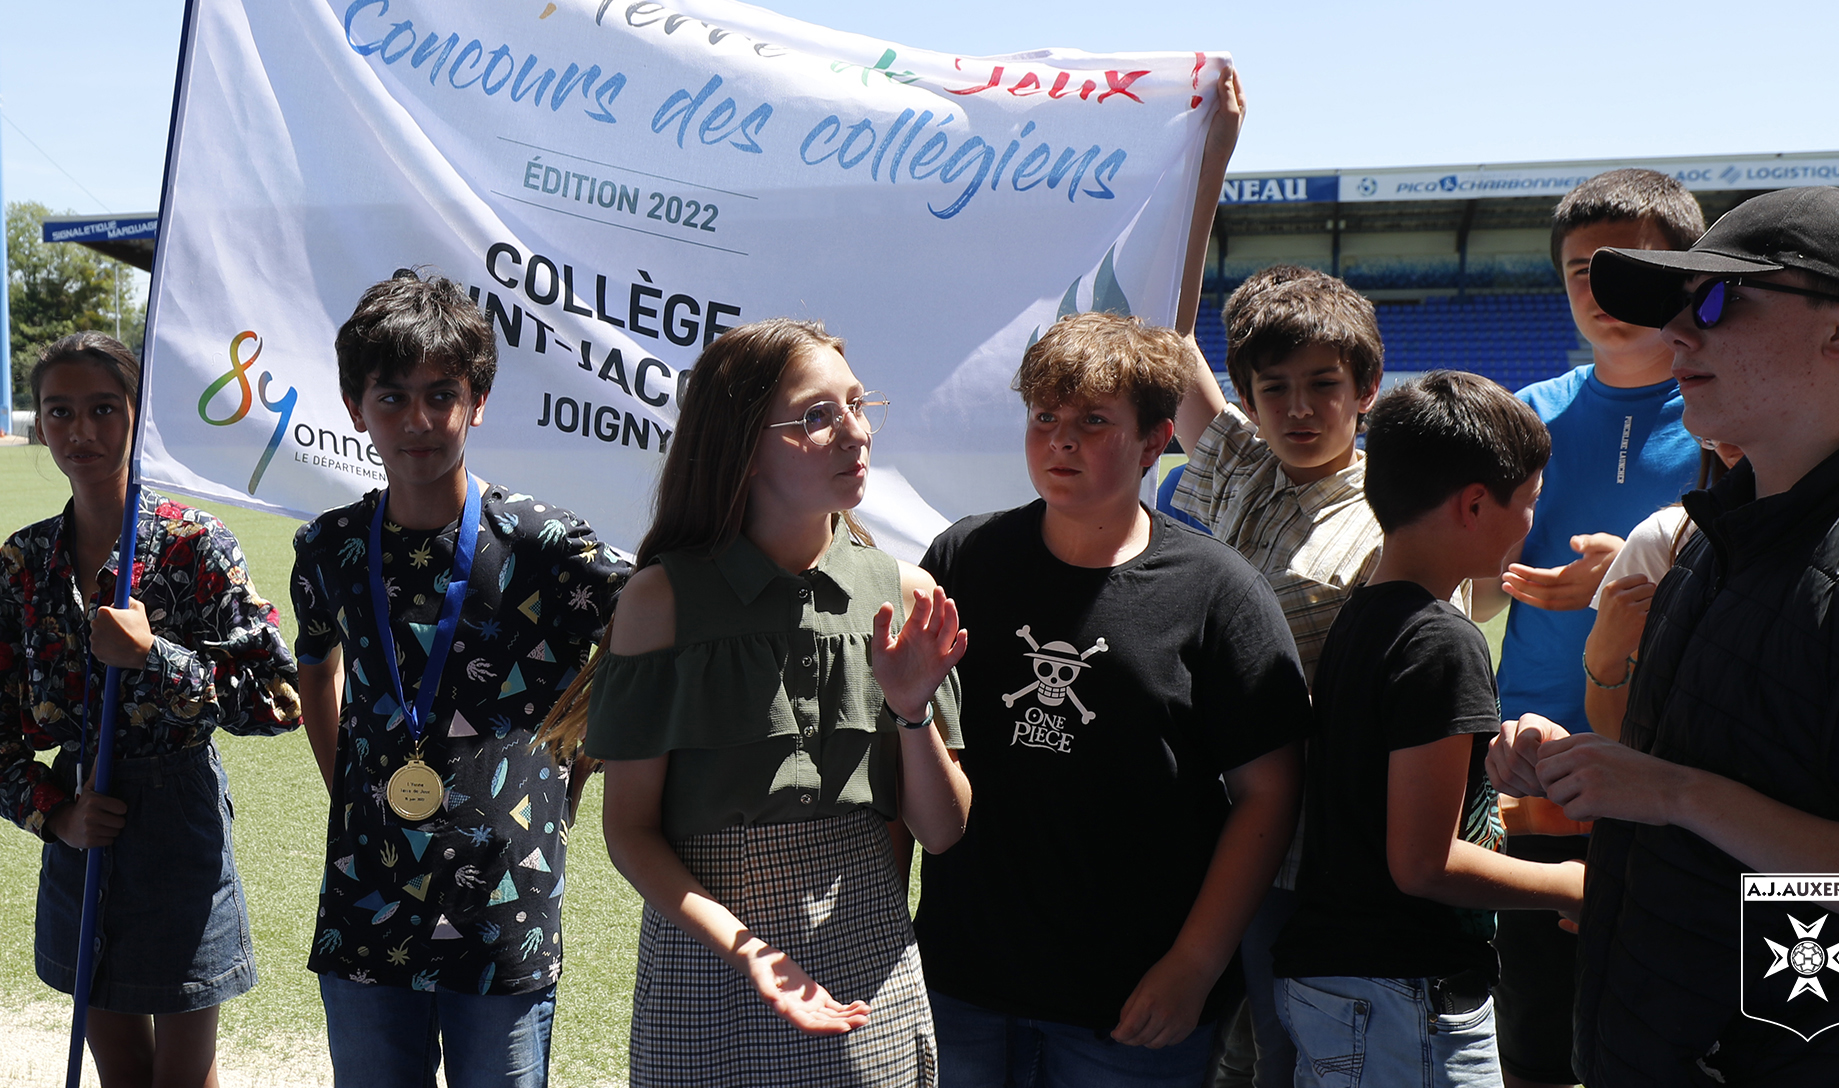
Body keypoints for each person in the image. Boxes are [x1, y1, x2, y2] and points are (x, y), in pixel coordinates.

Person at [1489, 185, 1839, 1085]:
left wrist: (1674, 797)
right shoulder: (1713, 529)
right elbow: (1726, 771)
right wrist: (1584, 767)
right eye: (1677, 309)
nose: (1680, 334)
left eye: (1718, 302)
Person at [538, 317, 970, 1087]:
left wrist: (910, 713)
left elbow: (942, 831)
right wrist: (748, 950)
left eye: (859, 405)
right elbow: (631, 833)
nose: (856, 433)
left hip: (868, 968)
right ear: (740, 443)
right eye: (817, 416)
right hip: (707, 967)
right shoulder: (660, 602)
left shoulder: (905, 594)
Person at [914, 310, 1311, 1087]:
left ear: (1156, 440)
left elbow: (1269, 791)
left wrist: (1195, 963)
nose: (1061, 439)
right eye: (1045, 417)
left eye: (1093, 421)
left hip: (1133, 1004)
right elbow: (910, 748)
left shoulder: (1217, 591)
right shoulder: (963, 557)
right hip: (960, 985)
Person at [289, 274, 628, 1088]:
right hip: (365, 899)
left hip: (503, 901)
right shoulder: (329, 547)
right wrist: (354, 786)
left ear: (477, 401)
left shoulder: (541, 542)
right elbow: (315, 664)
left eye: (441, 394)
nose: (418, 421)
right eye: (392, 396)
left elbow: (648, 632)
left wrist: (579, 757)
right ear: (353, 405)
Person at [0, 331, 301, 1088]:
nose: (82, 431)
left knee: (181, 1077)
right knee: (122, 1071)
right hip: (83, 820)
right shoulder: (23, 561)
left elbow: (276, 699)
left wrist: (154, 656)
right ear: (40, 425)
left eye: (104, 408)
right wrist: (53, 814)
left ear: (142, 414)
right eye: (60, 411)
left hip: (179, 824)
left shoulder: (194, 543)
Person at [1271, 370, 1582, 1087]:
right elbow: (1422, 863)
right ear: (1475, 505)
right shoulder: (1443, 640)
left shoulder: (1363, 615)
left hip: (1346, 989)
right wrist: (1570, 883)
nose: (1531, 522)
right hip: (1402, 999)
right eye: (1528, 503)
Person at [1169, 73, 1387, 1088]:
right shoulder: (1244, 463)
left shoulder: (1397, 507)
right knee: (1216, 1046)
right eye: (1275, 389)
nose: (1300, 408)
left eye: (1323, 386)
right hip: (1210, 821)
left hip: (1319, 846)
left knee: (1292, 1054)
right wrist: (1209, 155)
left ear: (1365, 389)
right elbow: (1167, 340)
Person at [1465, 168, 1705, 1088]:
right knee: (1536, 1035)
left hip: (1684, 764)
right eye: (1579, 271)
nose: (1602, 291)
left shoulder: (1734, 414)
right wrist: (1499, 578)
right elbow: (1476, 592)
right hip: (1539, 759)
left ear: (1692, 271)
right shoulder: (1528, 415)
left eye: (1633, 266)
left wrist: (1646, 569)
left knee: (1682, 1029)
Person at [1581, 439, 1741, 740]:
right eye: (1711, 435)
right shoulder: (1666, 538)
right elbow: (1619, 737)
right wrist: (1602, 657)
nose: (1727, 443)